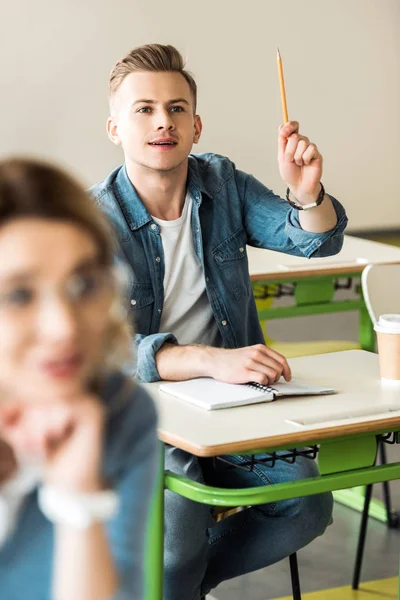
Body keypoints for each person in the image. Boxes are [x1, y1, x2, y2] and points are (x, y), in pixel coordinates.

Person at [91, 43, 348, 600]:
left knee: (307, 501)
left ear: (197, 124)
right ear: (114, 127)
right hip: (138, 416)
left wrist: (308, 197)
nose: (164, 121)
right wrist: (207, 359)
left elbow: (316, 239)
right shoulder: (91, 220)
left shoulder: (222, 183)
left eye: (177, 108)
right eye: (144, 109)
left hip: (232, 411)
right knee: (176, 533)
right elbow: (98, 351)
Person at [0, 158, 158, 600]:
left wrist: (77, 503)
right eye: (18, 295)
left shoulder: (120, 410)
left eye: (84, 285)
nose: (64, 328)